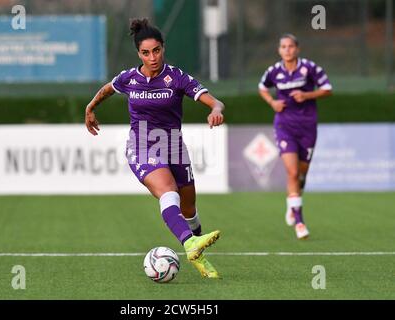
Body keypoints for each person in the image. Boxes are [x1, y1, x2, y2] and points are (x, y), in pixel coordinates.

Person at [85, 18, 225, 278]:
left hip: (173, 146)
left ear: (163, 48)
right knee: (168, 191)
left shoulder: (176, 77)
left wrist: (215, 110)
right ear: (139, 53)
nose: (152, 57)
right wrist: (90, 107)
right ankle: (189, 242)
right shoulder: (129, 78)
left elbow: (215, 101)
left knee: (190, 210)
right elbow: (107, 89)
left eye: (157, 50)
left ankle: (196, 249)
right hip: (141, 146)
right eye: (146, 53)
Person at [258, 34, 332, 239]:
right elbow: (262, 87)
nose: (287, 50)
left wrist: (307, 95)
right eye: (283, 46)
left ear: (297, 49)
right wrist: (272, 103)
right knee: (291, 172)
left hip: (307, 126)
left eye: (291, 46)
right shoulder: (274, 71)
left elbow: (327, 89)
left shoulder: (309, 68)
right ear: (279, 50)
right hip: (284, 126)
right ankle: (300, 222)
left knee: (301, 174)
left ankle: (292, 203)